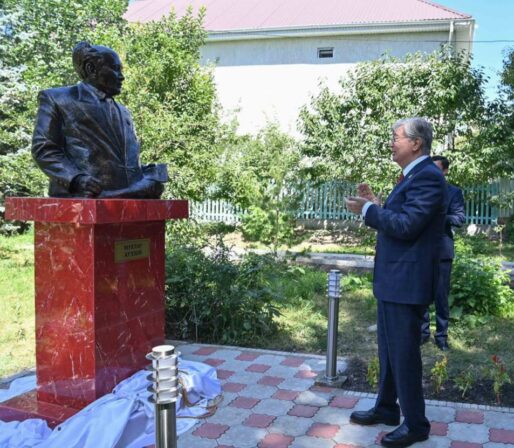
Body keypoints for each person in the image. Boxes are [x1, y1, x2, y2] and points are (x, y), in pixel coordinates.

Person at [345, 117, 447, 448]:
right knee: (389, 350)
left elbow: (407, 226)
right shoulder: (413, 175)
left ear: (416, 143)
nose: (391, 142)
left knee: (404, 354)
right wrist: (375, 203)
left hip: (407, 282)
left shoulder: (429, 176)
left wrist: (367, 212)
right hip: (394, 279)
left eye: (396, 137)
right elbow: (400, 219)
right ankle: (388, 408)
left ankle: (416, 423)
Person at [32, 41, 167, 198]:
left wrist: (148, 177)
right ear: (91, 69)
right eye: (116, 69)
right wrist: (76, 179)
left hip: (124, 203)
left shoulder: (124, 112)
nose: (122, 77)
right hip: (85, 201)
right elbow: (44, 148)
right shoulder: (58, 99)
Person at [421, 156, 465, 351]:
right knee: (421, 293)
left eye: (437, 169)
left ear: (445, 171)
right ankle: (422, 333)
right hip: (420, 249)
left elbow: (459, 218)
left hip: (442, 250)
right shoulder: (421, 190)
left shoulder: (454, 192)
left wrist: (439, 218)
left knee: (440, 295)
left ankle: (441, 336)